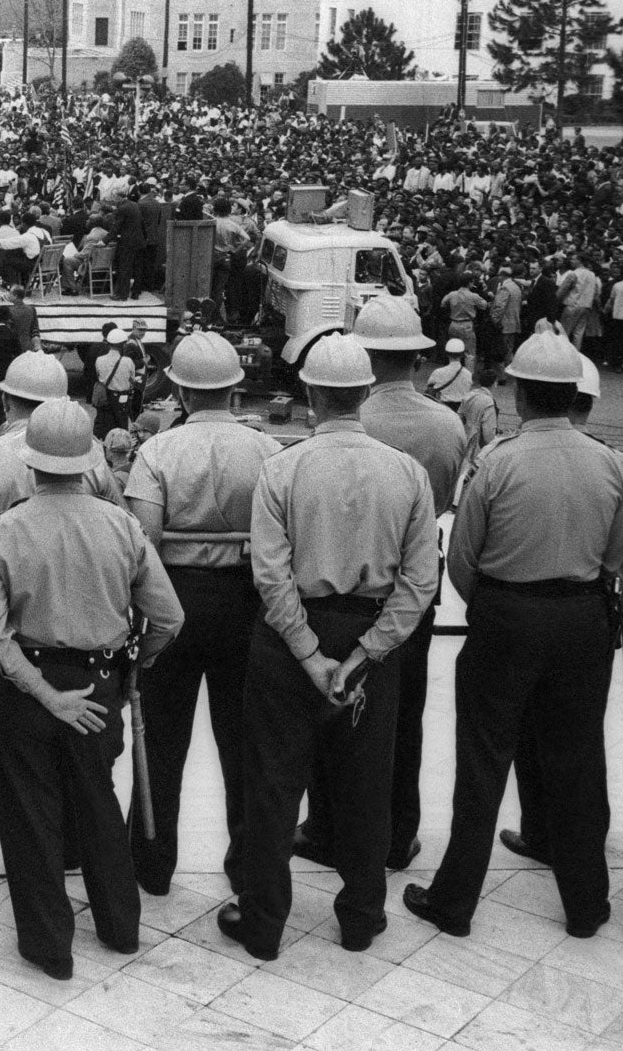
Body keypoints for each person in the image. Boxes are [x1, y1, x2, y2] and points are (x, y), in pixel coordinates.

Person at [405, 332, 623, 941]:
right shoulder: (615, 465)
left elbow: (463, 557)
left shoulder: (496, 464)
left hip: (506, 617)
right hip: (581, 621)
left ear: (521, 395)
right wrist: (607, 595)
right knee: (577, 760)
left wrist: (497, 605)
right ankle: (586, 904)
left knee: (484, 762)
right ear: (573, 394)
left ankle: (455, 899)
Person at [220, 334, 439, 961]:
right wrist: (365, 653)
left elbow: (270, 573)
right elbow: (421, 580)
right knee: (368, 783)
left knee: (273, 784)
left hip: (291, 642)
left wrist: (308, 651)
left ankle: (263, 920)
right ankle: (361, 915)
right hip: (369, 637)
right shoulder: (406, 473)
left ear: (311, 394)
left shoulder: (283, 469)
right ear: (366, 392)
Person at [0, 398, 183, 978]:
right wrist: (131, 667)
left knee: (30, 815)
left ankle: (50, 946)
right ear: (90, 460)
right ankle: (120, 928)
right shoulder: (120, 526)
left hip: (27, 687)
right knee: (98, 802)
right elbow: (168, 618)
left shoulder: (4, 530)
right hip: (99, 683)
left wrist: (44, 694)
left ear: (32, 464)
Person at [291, 294, 466, 874]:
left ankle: (324, 826)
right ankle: (396, 833)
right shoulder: (447, 425)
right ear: (416, 356)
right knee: (401, 714)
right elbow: (437, 504)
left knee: (327, 712)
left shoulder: (346, 419)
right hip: (411, 584)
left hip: (331, 577)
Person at [0, 350, 119, 872]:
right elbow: (117, 531)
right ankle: (69, 844)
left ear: (7, 399)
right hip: (69, 622)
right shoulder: (94, 457)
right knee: (73, 745)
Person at [123, 333, 279, 896]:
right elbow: (276, 542)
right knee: (244, 745)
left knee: (161, 741)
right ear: (234, 387)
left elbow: (143, 545)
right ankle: (246, 866)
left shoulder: (159, 452)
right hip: (245, 601)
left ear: (182, 390)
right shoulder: (265, 451)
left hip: (175, 598)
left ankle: (151, 862)